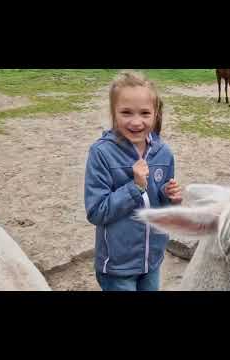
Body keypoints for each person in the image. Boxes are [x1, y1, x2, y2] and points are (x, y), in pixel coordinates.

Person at [84, 70, 182, 291]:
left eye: (145, 113)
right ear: (113, 113)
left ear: (155, 114)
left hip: (152, 261)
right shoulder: (101, 153)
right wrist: (134, 187)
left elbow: (162, 211)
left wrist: (172, 198)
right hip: (117, 268)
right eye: (126, 112)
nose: (136, 122)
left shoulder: (164, 153)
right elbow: (96, 212)